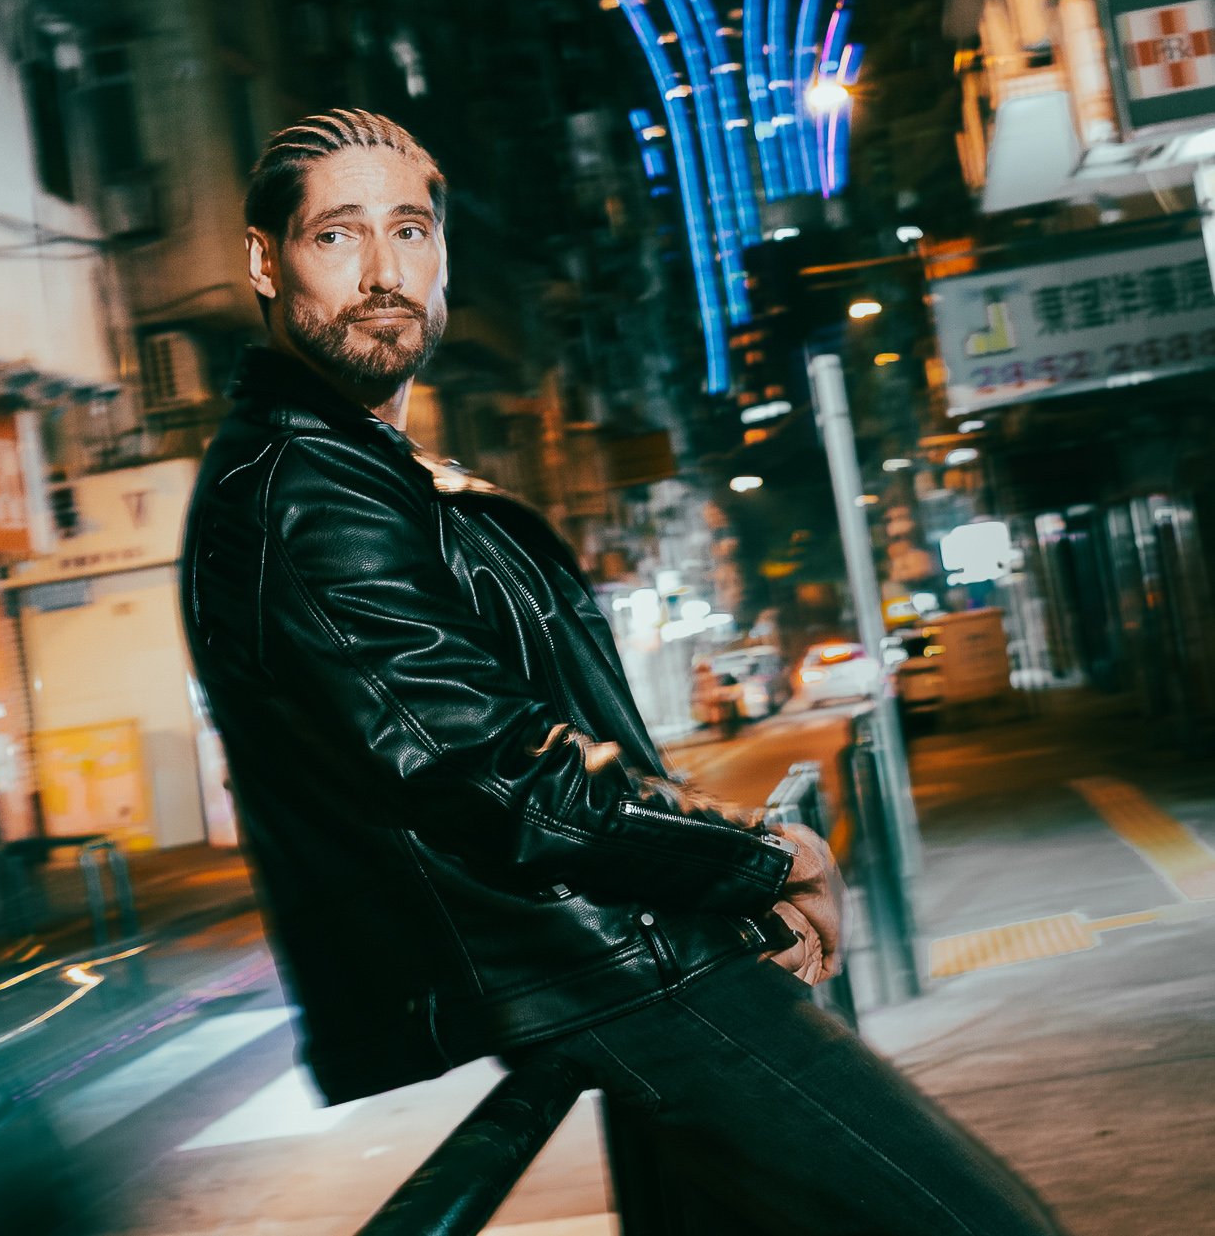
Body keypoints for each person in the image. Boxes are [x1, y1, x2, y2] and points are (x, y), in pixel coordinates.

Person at [182, 109, 1067, 1235]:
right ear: (266, 260)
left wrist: (718, 863)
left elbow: (553, 746)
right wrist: (765, 859)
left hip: (611, 954)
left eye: (408, 230)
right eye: (335, 235)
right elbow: (500, 780)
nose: (380, 271)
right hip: (602, 972)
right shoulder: (304, 493)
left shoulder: (369, 469)